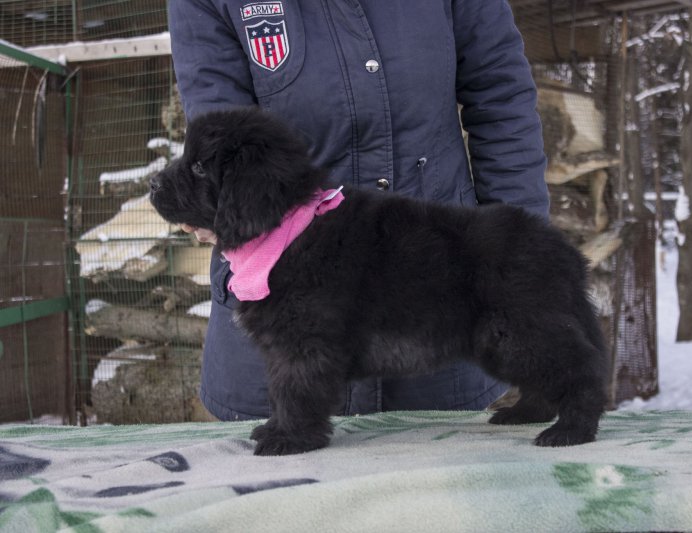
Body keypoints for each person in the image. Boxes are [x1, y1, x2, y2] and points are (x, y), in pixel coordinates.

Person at [167, 0, 550, 421]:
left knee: (439, 477)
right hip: (281, 326)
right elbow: (220, 138)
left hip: (437, 304)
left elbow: (501, 96)